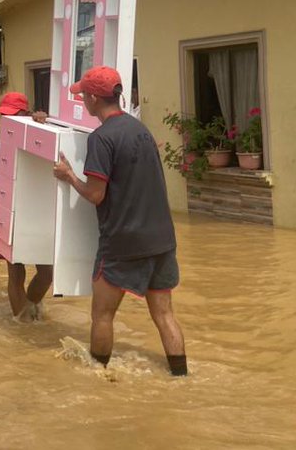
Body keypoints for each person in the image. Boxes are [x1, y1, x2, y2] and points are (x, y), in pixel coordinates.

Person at [52, 66, 188, 377]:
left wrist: (69, 176)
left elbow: (96, 194)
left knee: (102, 315)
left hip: (122, 243)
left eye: (84, 94)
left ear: (94, 98)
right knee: (164, 314)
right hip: (162, 240)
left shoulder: (102, 139)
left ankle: (99, 378)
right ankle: (181, 376)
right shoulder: (142, 131)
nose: (82, 100)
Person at [0, 92, 54, 322]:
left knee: (48, 272)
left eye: (12, 115)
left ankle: (31, 307)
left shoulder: (41, 132)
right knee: (15, 271)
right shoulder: (0, 147)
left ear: (26, 115)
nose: (6, 120)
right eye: (4, 116)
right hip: (8, 211)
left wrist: (44, 125)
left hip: (38, 212)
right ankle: (22, 323)